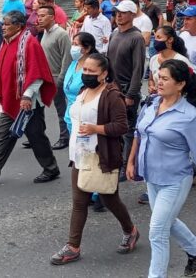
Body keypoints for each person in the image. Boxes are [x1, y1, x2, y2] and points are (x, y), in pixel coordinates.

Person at [128, 59, 196, 277]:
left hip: (175, 180)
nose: (159, 82)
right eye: (159, 77)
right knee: (166, 221)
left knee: (157, 231)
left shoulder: (189, 116)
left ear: (180, 85)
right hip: (152, 177)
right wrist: (131, 161)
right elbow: (138, 133)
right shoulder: (151, 103)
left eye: (165, 79)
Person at [51, 53, 139, 265]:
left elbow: (122, 126)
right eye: (85, 70)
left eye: (92, 71)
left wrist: (95, 129)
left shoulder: (111, 95)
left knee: (110, 199)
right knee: (79, 202)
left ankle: (131, 230)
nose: (87, 74)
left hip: (102, 157)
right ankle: (73, 247)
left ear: (104, 74)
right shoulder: (84, 91)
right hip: (80, 155)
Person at [0, 11, 60, 185]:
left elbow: (37, 73)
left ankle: (51, 168)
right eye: (3, 24)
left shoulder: (29, 43)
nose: (3, 27)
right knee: (3, 136)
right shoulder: (7, 42)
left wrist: (26, 96)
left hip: (29, 103)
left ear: (18, 26)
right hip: (11, 101)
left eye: (7, 24)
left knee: (36, 137)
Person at [107, 0, 146, 175]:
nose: (119, 16)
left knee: (128, 130)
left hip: (127, 89)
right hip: (112, 88)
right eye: (117, 12)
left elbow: (138, 68)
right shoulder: (114, 33)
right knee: (113, 127)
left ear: (132, 15)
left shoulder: (136, 37)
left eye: (123, 12)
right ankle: (116, 160)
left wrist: (131, 94)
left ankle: (126, 165)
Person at [37, 5, 73, 150]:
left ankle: (65, 137)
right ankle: (38, 135)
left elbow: (67, 58)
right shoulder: (45, 33)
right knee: (38, 108)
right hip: (45, 77)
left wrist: (61, 80)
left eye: (43, 16)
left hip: (57, 77)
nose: (39, 19)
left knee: (61, 110)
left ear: (52, 17)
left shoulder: (61, 34)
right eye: (38, 16)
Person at [63, 33, 98, 131]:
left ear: (87, 49)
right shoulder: (74, 63)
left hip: (84, 118)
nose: (73, 47)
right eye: (72, 44)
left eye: (76, 44)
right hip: (70, 114)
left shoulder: (92, 69)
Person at [147, 26, 191, 95]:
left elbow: (188, 84)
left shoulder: (181, 60)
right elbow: (151, 79)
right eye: (155, 38)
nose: (155, 41)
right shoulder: (153, 59)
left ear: (170, 39)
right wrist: (151, 86)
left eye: (159, 37)